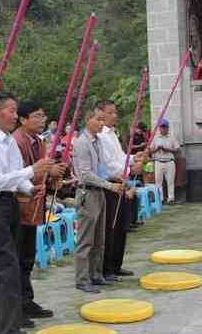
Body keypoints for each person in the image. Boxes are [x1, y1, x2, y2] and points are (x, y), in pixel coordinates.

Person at [0, 91, 53, 334]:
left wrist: (30, 189)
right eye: (11, 110)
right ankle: (7, 326)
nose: (15, 115)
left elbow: (16, 177)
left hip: (10, 203)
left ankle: (1, 326)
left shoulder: (7, 141)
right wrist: (32, 170)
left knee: (5, 265)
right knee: (8, 265)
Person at [12, 101, 65, 323]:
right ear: (23, 119)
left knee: (27, 258)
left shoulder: (39, 141)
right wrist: (46, 171)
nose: (42, 120)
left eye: (43, 116)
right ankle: (15, 308)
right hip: (18, 207)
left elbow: (42, 173)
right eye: (36, 115)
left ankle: (26, 301)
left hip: (34, 206)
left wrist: (54, 177)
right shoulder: (16, 141)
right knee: (15, 260)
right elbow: (18, 174)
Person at [72, 108, 123, 294]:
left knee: (99, 238)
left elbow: (101, 168)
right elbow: (85, 174)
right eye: (98, 119)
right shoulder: (81, 143)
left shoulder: (98, 142)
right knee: (86, 239)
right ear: (88, 120)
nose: (102, 123)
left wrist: (117, 177)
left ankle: (96, 274)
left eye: (103, 120)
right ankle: (82, 279)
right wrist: (110, 186)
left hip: (100, 191)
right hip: (87, 194)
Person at [96, 100, 143, 282]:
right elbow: (108, 165)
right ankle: (107, 268)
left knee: (122, 226)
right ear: (101, 113)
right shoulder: (100, 137)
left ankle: (116, 265)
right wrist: (131, 170)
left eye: (115, 112)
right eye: (110, 112)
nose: (114, 115)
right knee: (110, 228)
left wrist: (132, 159)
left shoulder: (113, 134)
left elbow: (120, 158)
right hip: (110, 184)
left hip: (120, 183)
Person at [151, 119, 180, 204]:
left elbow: (178, 150)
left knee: (170, 181)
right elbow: (150, 151)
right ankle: (160, 199)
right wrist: (157, 149)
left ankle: (171, 199)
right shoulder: (155, 138)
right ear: (159, 128)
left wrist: (167, 149)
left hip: (169, 161)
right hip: (158, 161)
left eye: (165, 127)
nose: (163, 129)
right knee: (158, 182)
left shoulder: (172, 138)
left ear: (168, 128)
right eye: (162, 127)